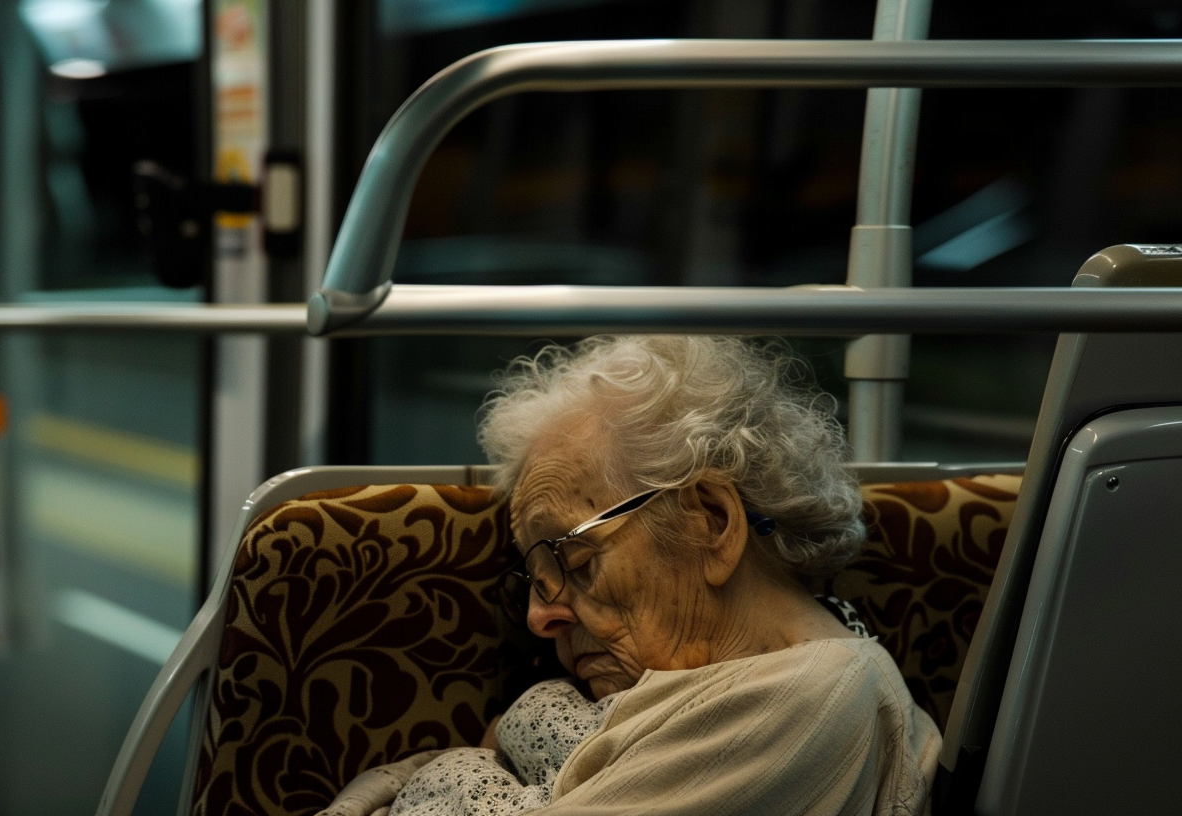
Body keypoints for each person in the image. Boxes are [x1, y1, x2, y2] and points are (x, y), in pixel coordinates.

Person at [321, 336, 940, 816]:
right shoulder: (741, 683)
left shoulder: (810, 697)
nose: (540, 617)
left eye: (574, 561)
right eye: (536, 578)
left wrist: (455, 769)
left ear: (712, 521)